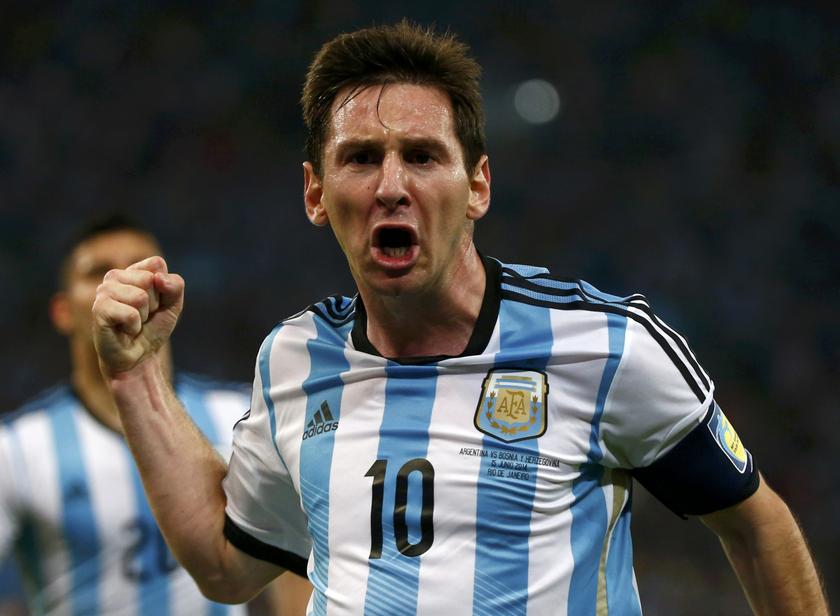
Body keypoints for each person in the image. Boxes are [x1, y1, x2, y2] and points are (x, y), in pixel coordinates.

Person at [90, 22, 829, 615]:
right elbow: (226, 566)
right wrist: (136, 377)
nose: (391, 186)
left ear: (476, 186)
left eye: (421, 155)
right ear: (315, 194)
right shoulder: (292, 358)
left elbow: (757, 525)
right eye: (359, 158)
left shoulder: (604, 347)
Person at [0, 215, 312, 616]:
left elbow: (292, 567)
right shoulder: (16, 448)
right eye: (99, 272)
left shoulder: (240, 415)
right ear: (62, 312)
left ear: (170, 294)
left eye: (142, 265)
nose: (125, 283)